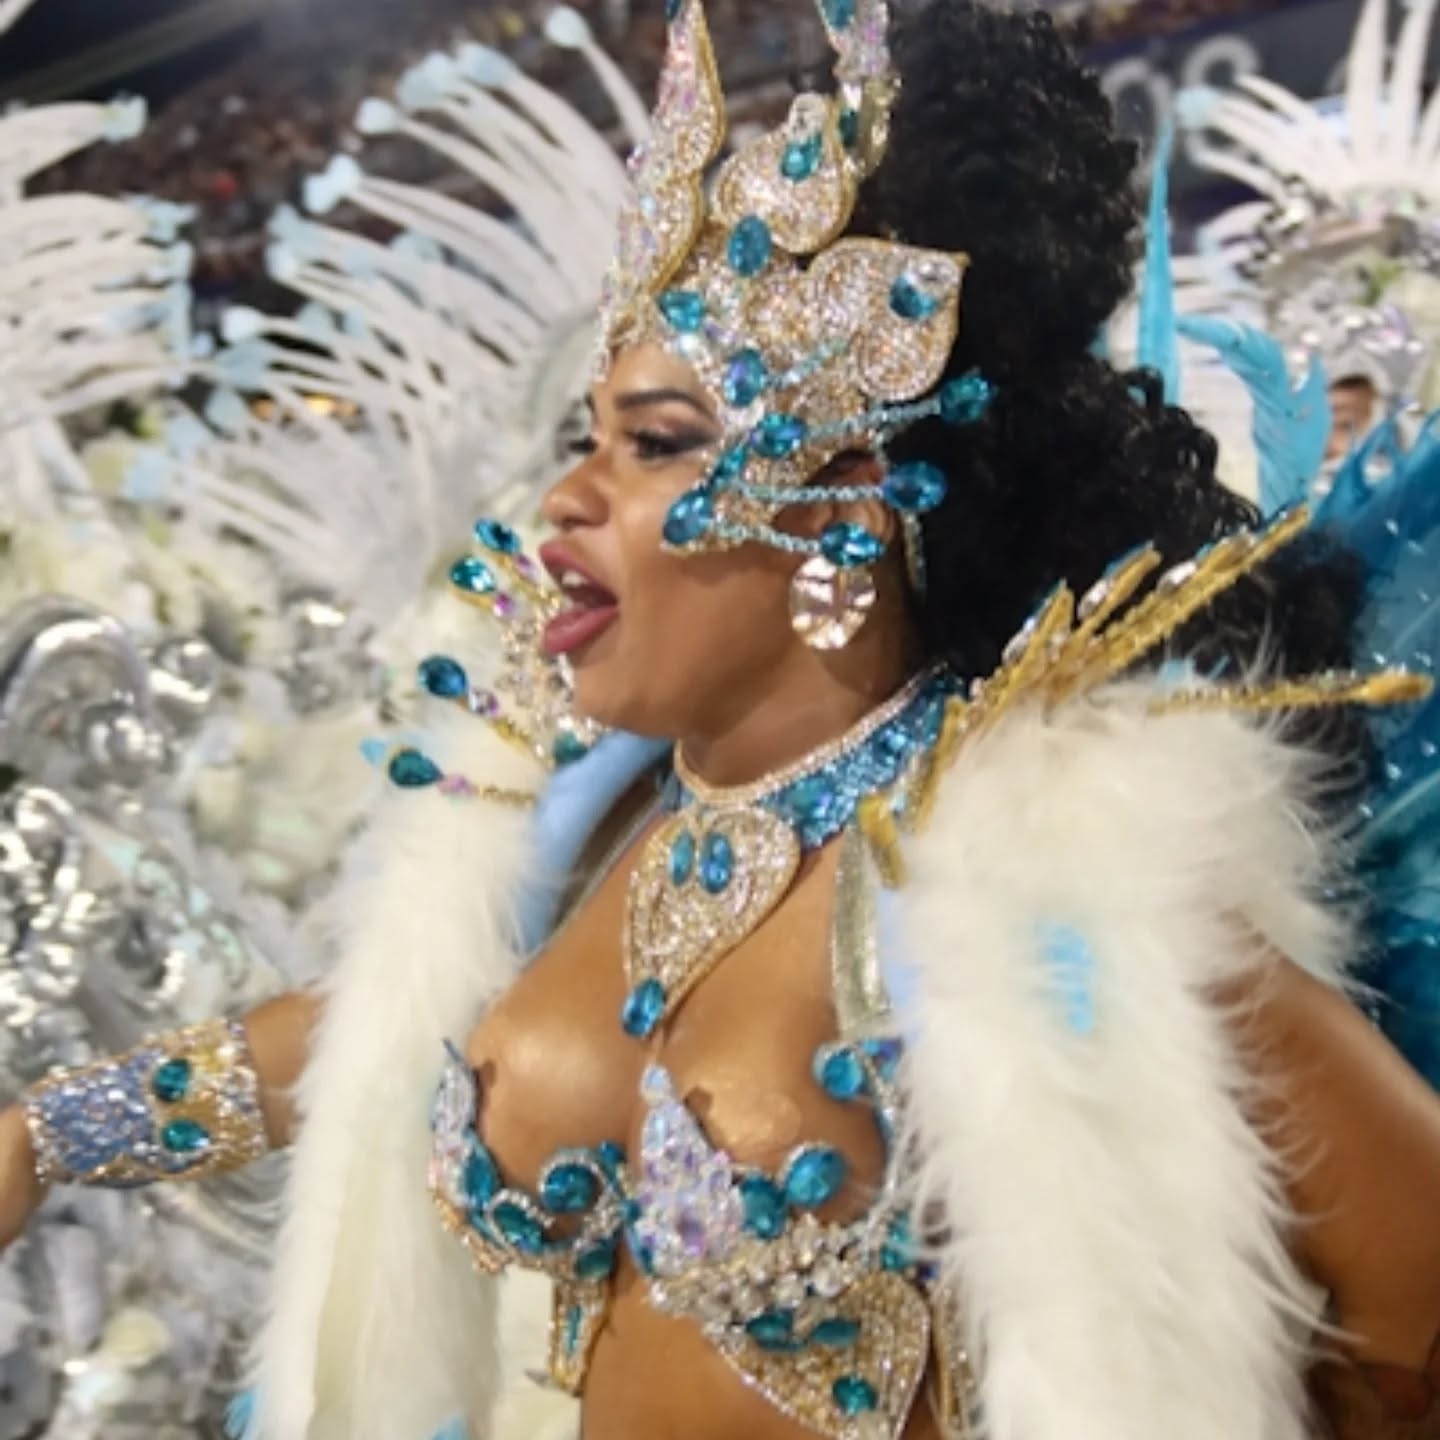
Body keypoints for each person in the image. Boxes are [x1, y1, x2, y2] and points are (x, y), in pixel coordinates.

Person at [4, 3, 1440, 1440]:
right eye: (587, 439)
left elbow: (1412, 1301)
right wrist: (47, 1133)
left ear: (847, 506)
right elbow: (376, 1039)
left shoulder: (1035, 884)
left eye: (656, 443)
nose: (570, 496)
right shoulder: (605, 823)